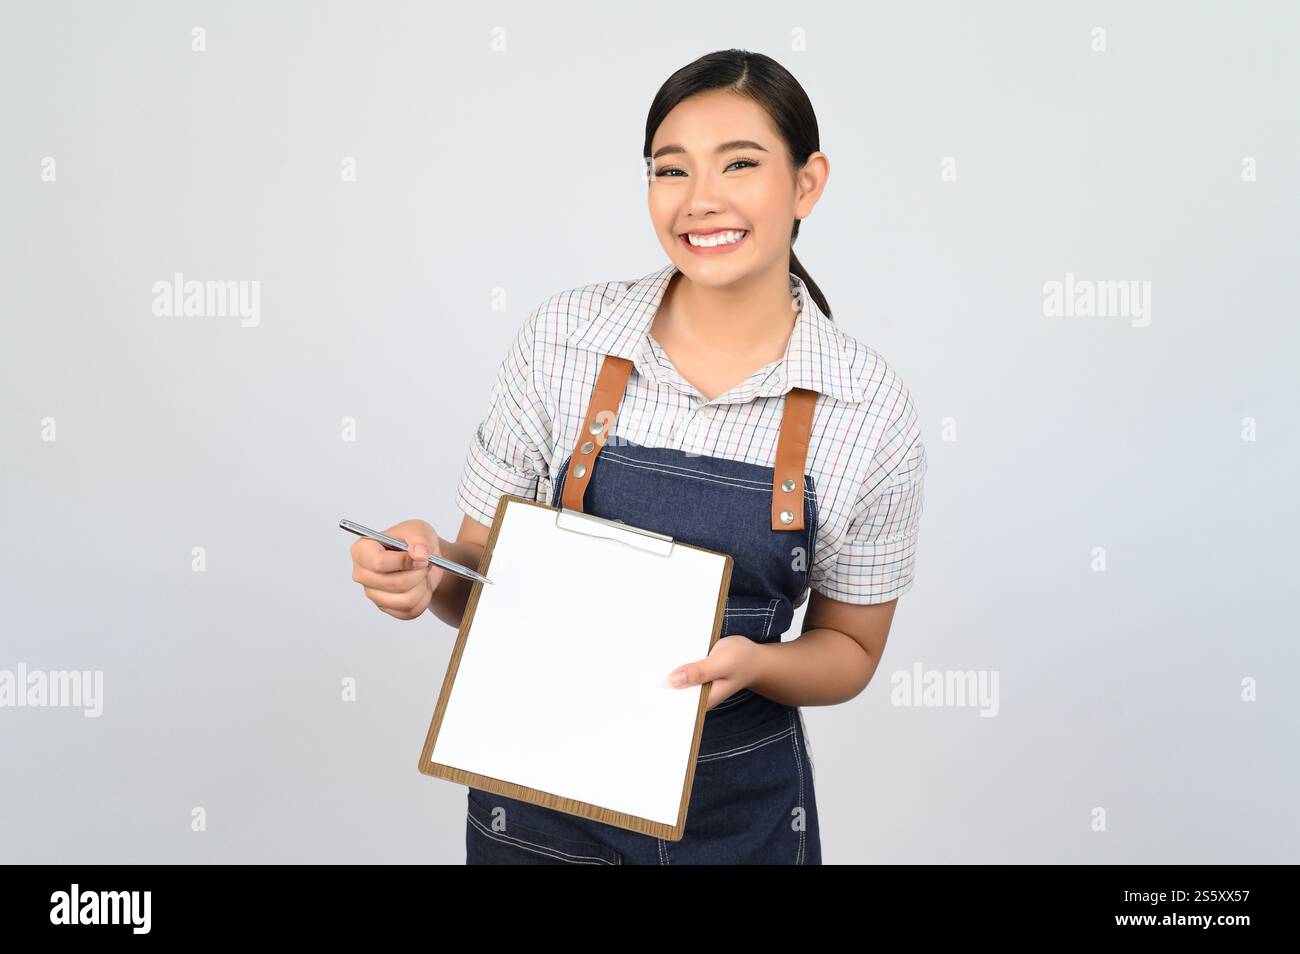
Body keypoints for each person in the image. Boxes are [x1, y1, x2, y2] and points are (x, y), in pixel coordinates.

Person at [348, 48, 927, 864]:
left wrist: (755, 663)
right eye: (671, 170)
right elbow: (477, 574)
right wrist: (429, 567)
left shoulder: (869, 409)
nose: (702, 201)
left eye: (740, 164)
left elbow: (853, 652)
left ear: (806, 183)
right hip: (538, 806)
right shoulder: (565, 339)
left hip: (739, 820)